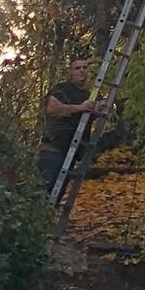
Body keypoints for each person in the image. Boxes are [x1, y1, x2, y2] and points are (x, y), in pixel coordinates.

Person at [38, 57, 105, 194]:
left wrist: (98, 110)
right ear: (70, 72)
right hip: (53, 149)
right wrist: (80, 108)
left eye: (84, 68)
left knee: (57, 195)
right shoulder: (62, 89)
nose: (81, 71)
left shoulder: (89, 95)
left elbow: (88, 117)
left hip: (71, 153)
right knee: (45, 191)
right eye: (77, 68)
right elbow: (52, 108)